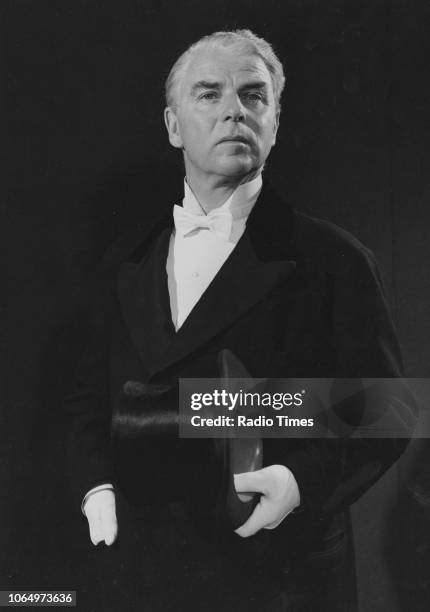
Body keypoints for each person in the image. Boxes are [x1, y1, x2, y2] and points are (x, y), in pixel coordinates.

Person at [65, 30, 415, 611]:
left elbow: (388, 406)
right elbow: (85, 401)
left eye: (254, 95)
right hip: (142, 575)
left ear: (274, 121)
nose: (234, 108)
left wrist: (301, 483)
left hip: (282, 578)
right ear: (174, 126)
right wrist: (93, 487)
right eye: (209, 94)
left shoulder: (334, 258)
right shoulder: (124, 262)